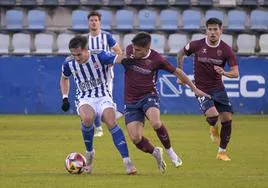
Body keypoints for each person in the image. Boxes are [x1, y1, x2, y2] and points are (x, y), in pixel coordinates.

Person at [122, 32, 210, 173]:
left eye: (138, 50)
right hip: (130, 100)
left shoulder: (157, 59)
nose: (134, 51)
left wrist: (194, 88)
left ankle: (170, 152)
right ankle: (156, 152)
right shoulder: (129, 51)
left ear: (147, 48)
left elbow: (178, 72)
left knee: (156, 122)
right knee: (135, 138)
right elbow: (120, 56)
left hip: (148, 96)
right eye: (133, 48)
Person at [60, 35, 137, 175]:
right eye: (73, 54)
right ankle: (89, 153)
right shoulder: (69, 63)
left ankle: (127, 161)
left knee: (111, 121)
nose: (77, 57)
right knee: (88, 119)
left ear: (86, 49)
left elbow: (117, 58)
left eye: (79, 54)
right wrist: (65, 98)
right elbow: (64, 78)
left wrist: (128, 58)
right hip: (84, 98)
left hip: (103, 96)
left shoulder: (99, 55)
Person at [177, 18, 239, 161]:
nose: (212, 32)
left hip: (218, 88)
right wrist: (180, 72)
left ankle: (222, 152)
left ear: (221, 30)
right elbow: (180, 53)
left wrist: (224, 73)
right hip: (201, 88)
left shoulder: (226, 49)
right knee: (213, 116)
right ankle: (212, 126)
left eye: (215, 29)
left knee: (227, 119)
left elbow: (235, 73)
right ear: (206, 31)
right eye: (210, 29)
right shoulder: (197, 45)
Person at [87, 11, 123, 137]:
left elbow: (119, 51)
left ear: (99, 22)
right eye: (91, 20)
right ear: (88, 23)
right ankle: (98, 127)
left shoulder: (106, 37)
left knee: (104, 98)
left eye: (96, 20)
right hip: (90, 75)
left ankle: (110, 114)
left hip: (106, 74)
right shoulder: (85, 39)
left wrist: (111, 62)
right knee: (93, 100)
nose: (93, 22)